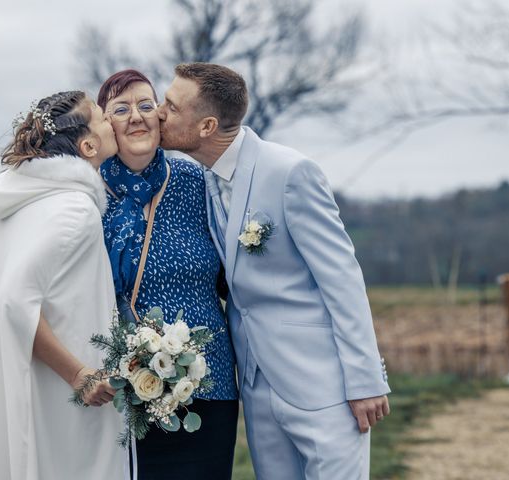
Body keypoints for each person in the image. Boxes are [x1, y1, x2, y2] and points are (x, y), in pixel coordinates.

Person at [157, 62, 392, 480]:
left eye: (172, 107)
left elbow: (342, 279)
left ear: (207, 125)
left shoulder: (290, 173)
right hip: (257, 386)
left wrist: (366, 380)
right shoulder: (203, 178)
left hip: (322, 384)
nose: (159, 113)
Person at [0, 91, 127, 479]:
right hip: (58, 399)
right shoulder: (74, 209)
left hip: (21, 383)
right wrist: (79, 375)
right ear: (88, 145)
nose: (112, 122)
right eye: (102, 117)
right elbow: (13, 302)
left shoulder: (22, 197)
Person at [97, 69, 238, 480]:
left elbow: (236, 272)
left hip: (209, 385)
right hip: (124, 394)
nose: (137, 116)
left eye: (146, 104)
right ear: (105, 124)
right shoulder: (88, 193)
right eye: (121, 109)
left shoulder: (194, 179)